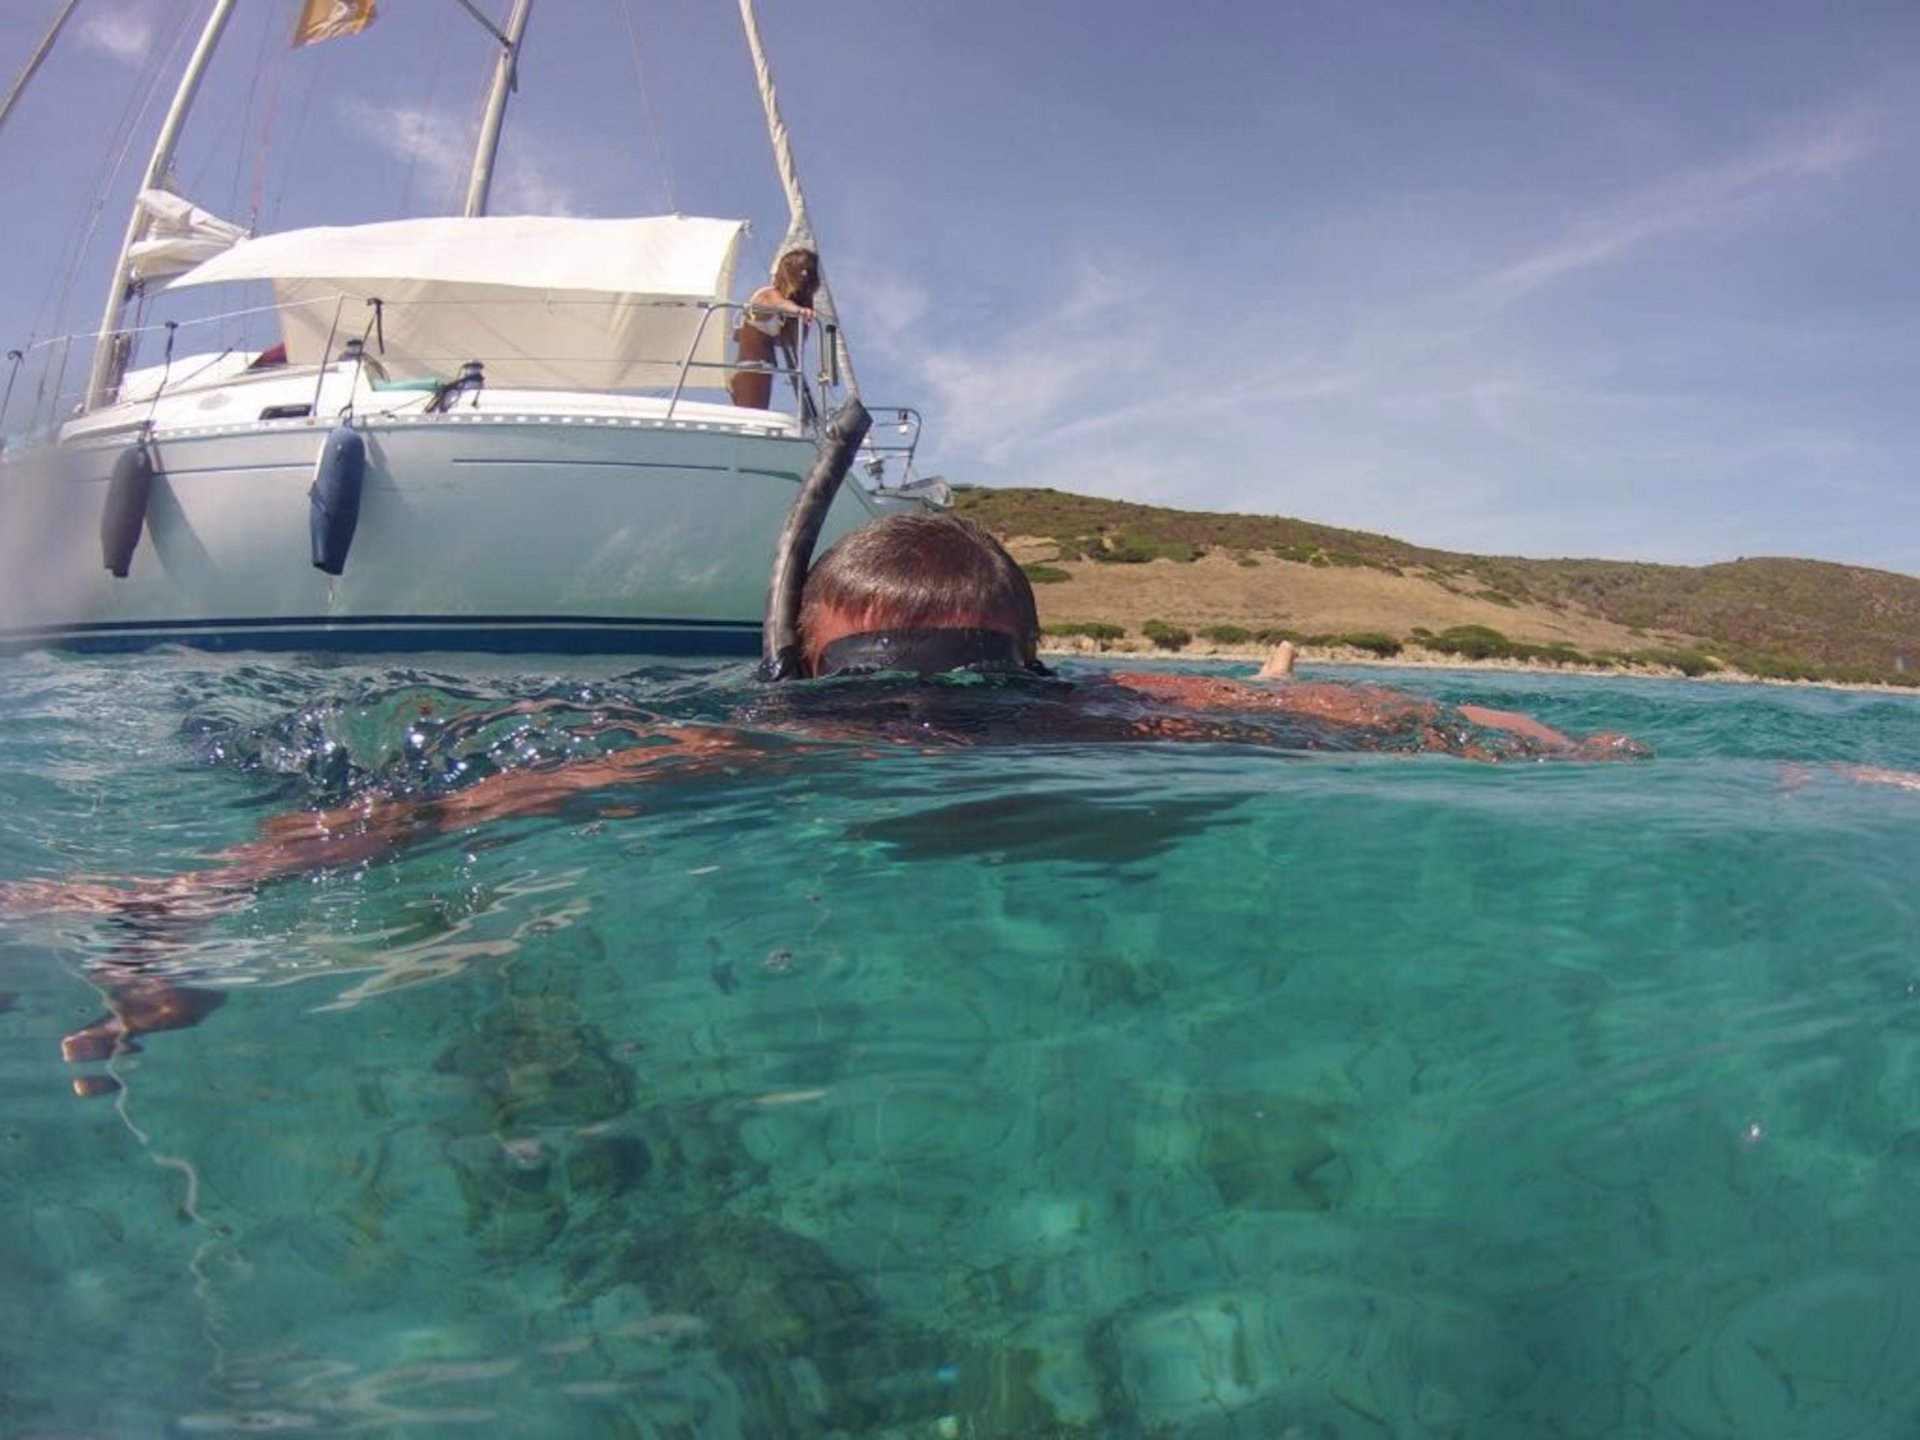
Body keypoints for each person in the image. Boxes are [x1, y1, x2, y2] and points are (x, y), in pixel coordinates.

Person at [5, 513, 1642, 1076]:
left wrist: (1555, 742)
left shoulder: (1108, 721)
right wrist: (188, 901)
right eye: (879, 693)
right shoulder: (745, 741)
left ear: (1041, 669)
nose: (922, 728)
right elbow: (464, 810)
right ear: (802, 674)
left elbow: (1384, 710)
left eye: (970, 688)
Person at [728, 248, 820, 410]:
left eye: (809, 270)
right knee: (753, 419)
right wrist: (799, 311)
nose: (805, 274)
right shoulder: (767, 294)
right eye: (801, 268)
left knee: (756, 417)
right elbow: (779, 303)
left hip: (762, 367)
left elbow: (792, 343)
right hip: (752, 367)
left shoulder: (783, 309)